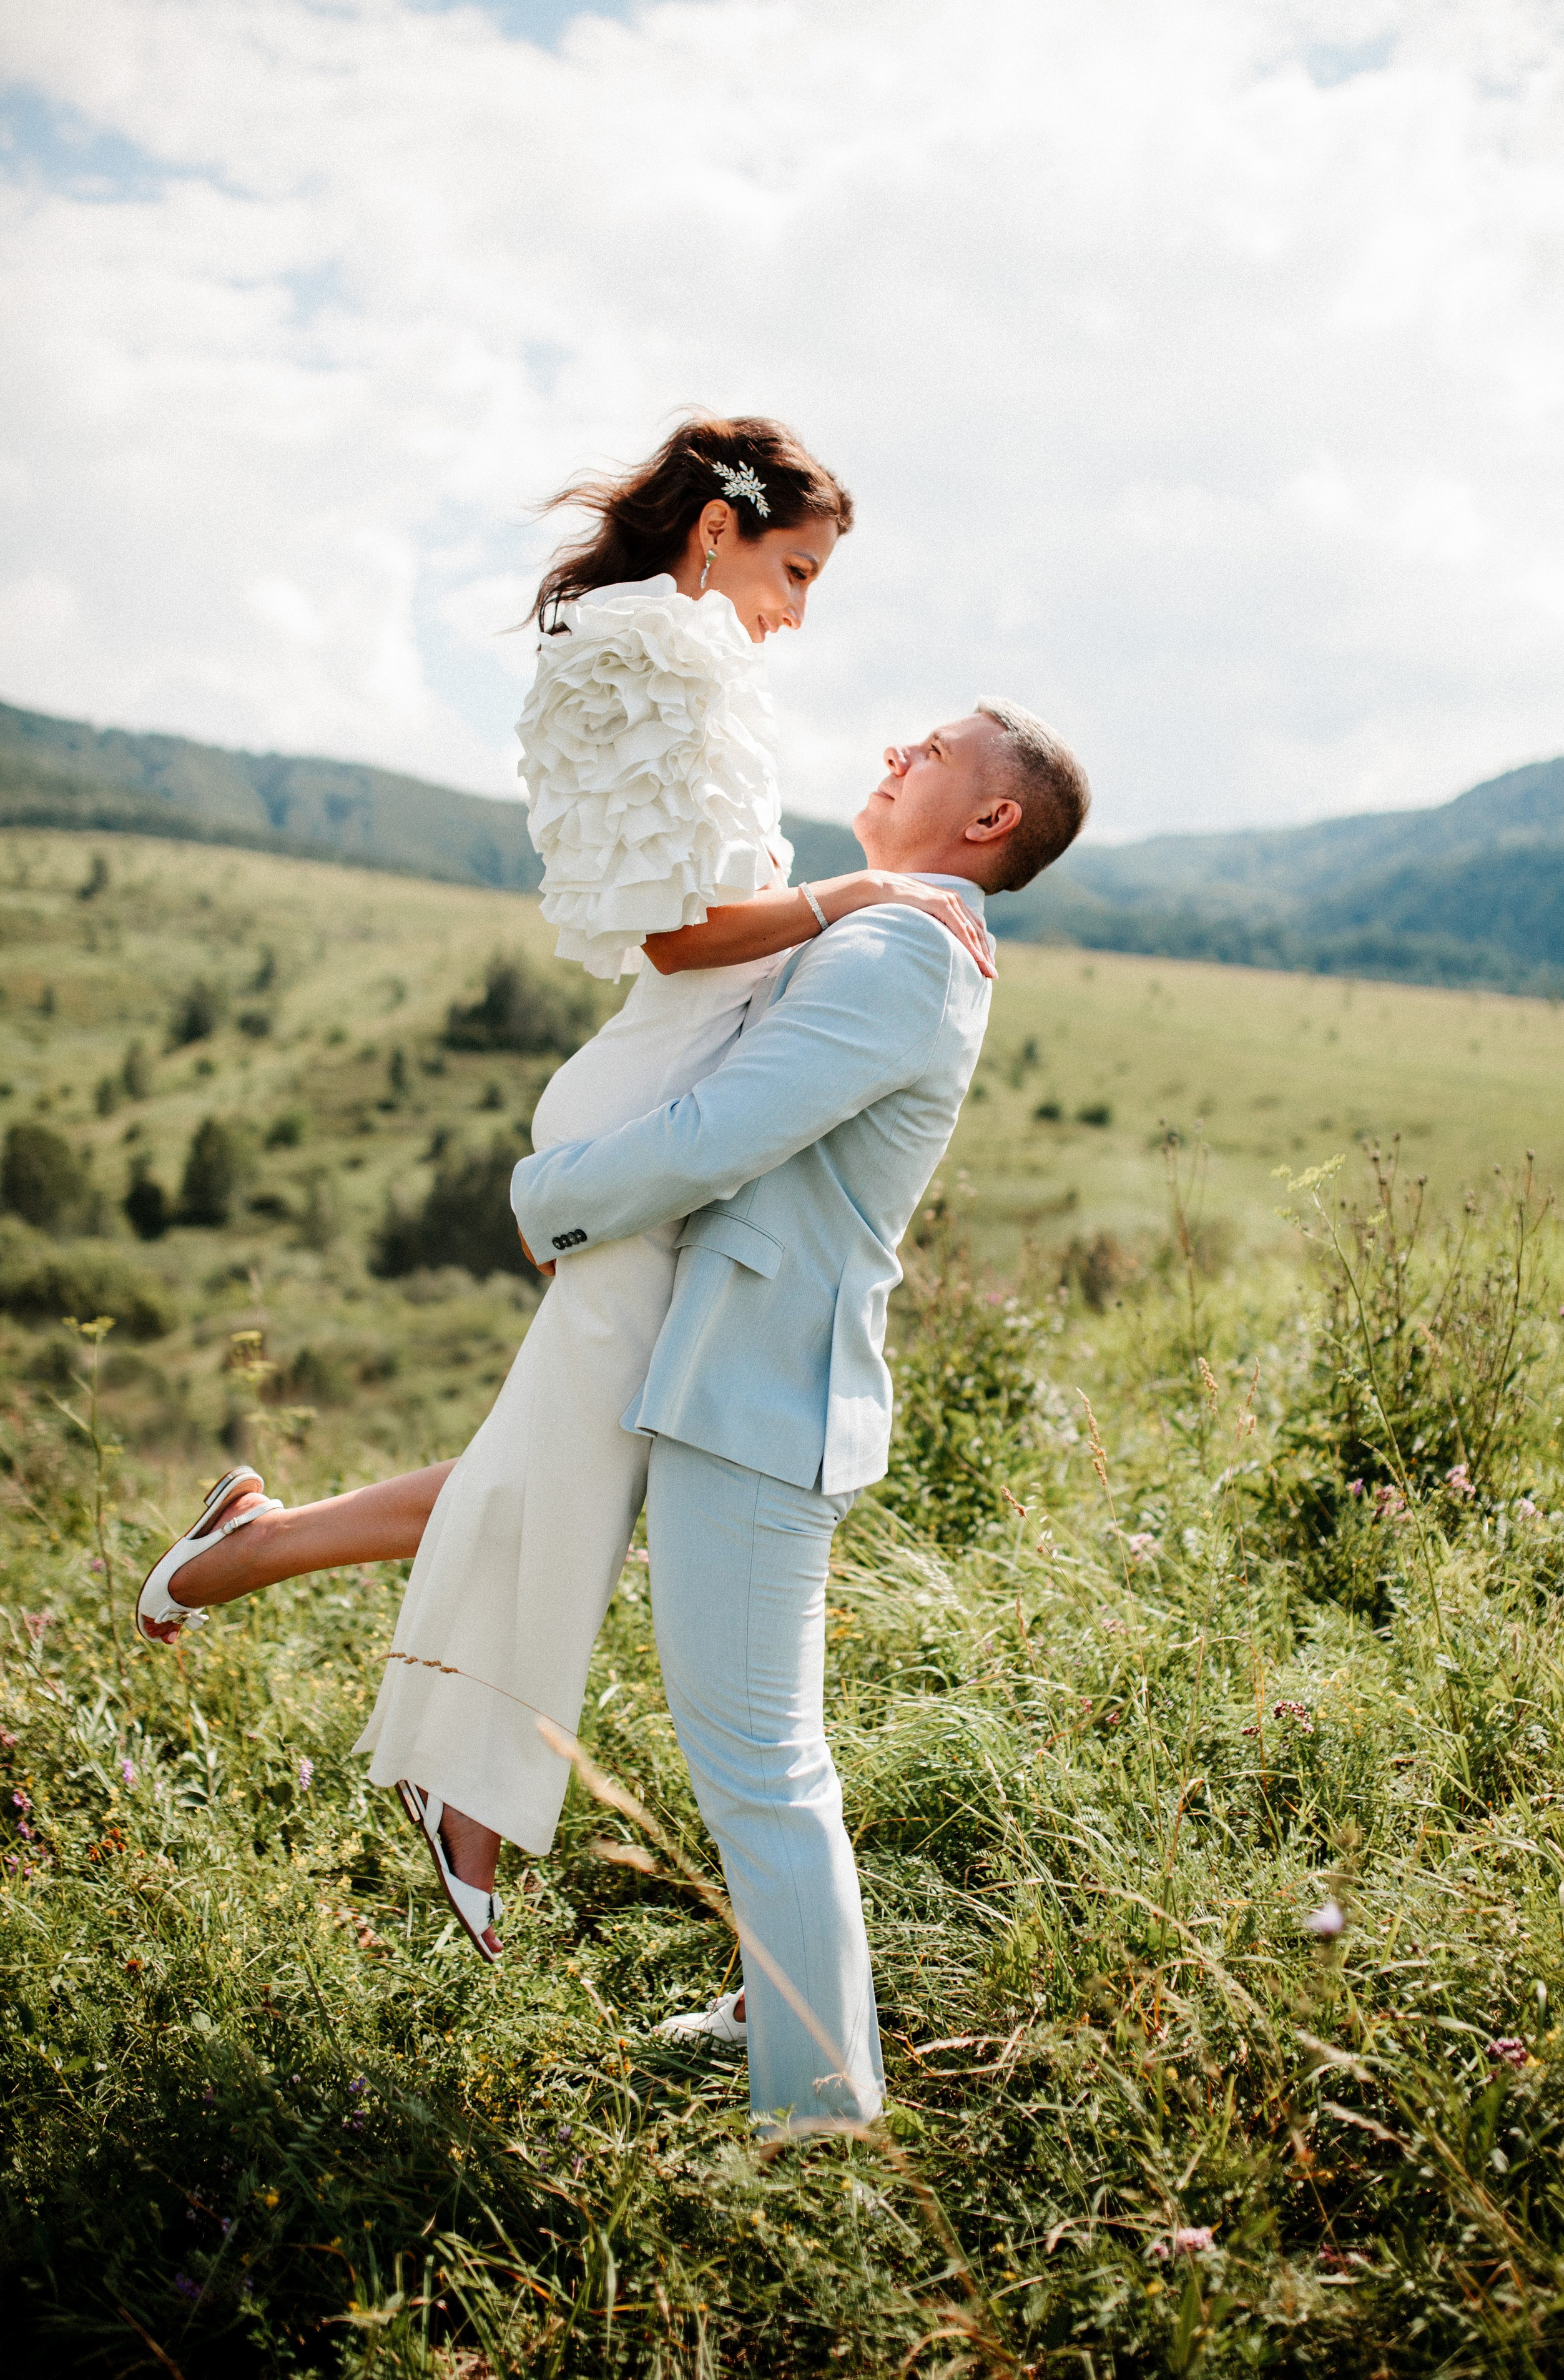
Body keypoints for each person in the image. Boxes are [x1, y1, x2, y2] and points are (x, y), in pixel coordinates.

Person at [133, 416, 992, 1961]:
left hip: (660, 1091)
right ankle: (459, 1791)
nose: (799, 611)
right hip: (648, 1096)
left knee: (563, 1461)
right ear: (719, 534)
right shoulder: (650, 654)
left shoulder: (683, 653)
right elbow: (675, 936)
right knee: (577, 1474)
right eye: (794, 571)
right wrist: (861, 893)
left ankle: (267, 1572)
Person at [509, 696, 1091, 2126]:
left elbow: (725, 1134)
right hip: (741, 1371)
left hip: (762, 1393)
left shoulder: (903, 947)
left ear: (987, 818)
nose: (895, 746)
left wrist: (549, 1198)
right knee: (750, 1748)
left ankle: (819, 2114)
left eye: (933, 750)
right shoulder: (890, 920)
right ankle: (781, 2007)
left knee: (762, 1770)